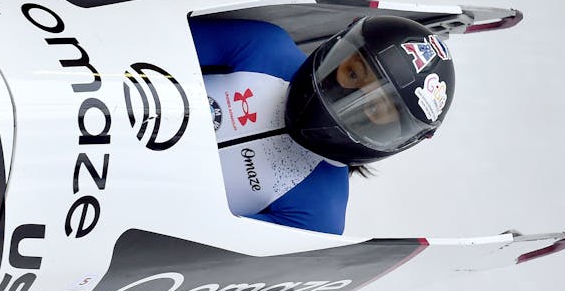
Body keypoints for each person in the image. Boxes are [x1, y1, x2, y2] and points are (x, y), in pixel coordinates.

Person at [189, 15, 456, 234]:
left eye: (374, 107)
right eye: (353, 73)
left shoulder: (316, 218)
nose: (346, 101)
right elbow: (158, 43)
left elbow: (197, 255)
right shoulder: (263, 46)